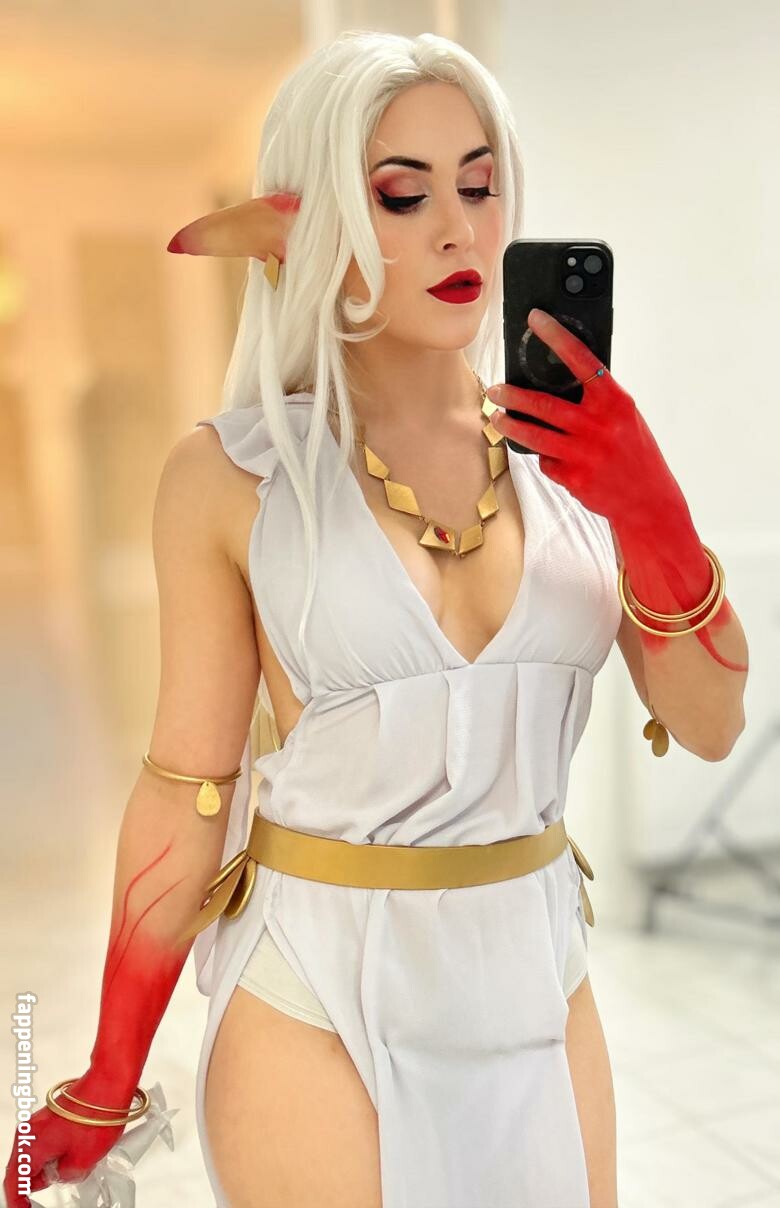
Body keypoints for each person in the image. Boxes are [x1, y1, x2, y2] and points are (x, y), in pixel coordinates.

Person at [3, 29, 748, 1208]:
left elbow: (710, 723)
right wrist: (106, 1072)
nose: (459, 229)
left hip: (539, 980)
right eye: (402, 195)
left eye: (479, 184)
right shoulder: (231, 476)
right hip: (312, 994)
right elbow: (186, 790)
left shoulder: (579, 462)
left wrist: (651, 506)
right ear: (315, 225)